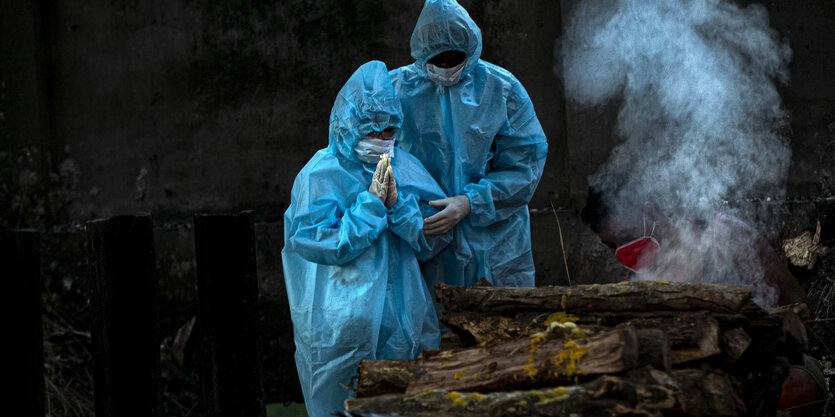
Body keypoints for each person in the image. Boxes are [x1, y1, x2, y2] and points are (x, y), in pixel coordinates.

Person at [282, 61, 452, 416]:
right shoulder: (319, 175)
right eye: (373, 131)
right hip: (339, 324)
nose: (383, 139)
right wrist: (371, 207)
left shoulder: (404, 167)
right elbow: (318, 242)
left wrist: (401, 211)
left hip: (404, 319)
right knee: (342, 404)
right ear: (349, 125)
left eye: (389, 130)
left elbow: (433, 238)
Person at [581, 186, 825, 416]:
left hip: (767, 368)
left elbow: (803, 312)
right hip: (696, 382)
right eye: (611, 245)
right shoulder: (636, 283)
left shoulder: (723, 234)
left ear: (649, 213)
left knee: (793, 390)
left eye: (625, 236)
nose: (621, 251)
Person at [389, 0, 549, 293]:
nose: (448, 68)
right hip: (427, 238)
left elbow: (525, 164)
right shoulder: (394, 91)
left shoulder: (503, 89)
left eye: (455, 59)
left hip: (495, 244)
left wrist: (471, 203)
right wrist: (408, 214)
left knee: (502, 325)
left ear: (471, 51)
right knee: (434, 328)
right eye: (439, 60)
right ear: (423, 54)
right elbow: (376, 164)